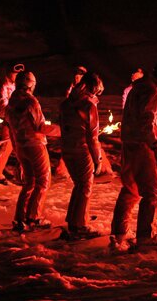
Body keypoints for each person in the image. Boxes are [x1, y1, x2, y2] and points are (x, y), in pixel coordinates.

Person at [110, 59, 157, 250]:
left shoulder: (135, 89)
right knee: (151, 193)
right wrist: (155, 148)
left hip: (129, 144)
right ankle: (146, 237)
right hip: (143, 146)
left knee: (130, 190)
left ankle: (119, 233)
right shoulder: (151, 92)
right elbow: (146, 122)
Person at [6, 71, 54, 232]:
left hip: (21, 146)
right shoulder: (30, 102)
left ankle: (20, 218)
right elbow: (40, 126)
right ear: (31, 84)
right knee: (43, 181)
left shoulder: (11, 103)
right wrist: (60, 130)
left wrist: (16, 149)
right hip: (35, 145)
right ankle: (34, 217)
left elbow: (11, 128)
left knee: (29, 183)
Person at [59, 72, 104, 239]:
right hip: (82, 150)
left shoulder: (66, 103)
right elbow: (92, 137)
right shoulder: (88, 106)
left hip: (67, 148)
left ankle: (74, 220)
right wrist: (97, 159)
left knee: (79, 185)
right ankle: (79, 226)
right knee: (85, 186)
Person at [0, 63, 25, 185]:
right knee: (7, 146)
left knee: (20, 147)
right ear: (9, 73)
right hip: (9, 120)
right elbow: (4, 104)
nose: (16, 76)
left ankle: (21, 174)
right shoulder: (5, 86)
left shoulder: (18, 85)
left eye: (18, 74)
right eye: (15, 73)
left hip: (19, 120)